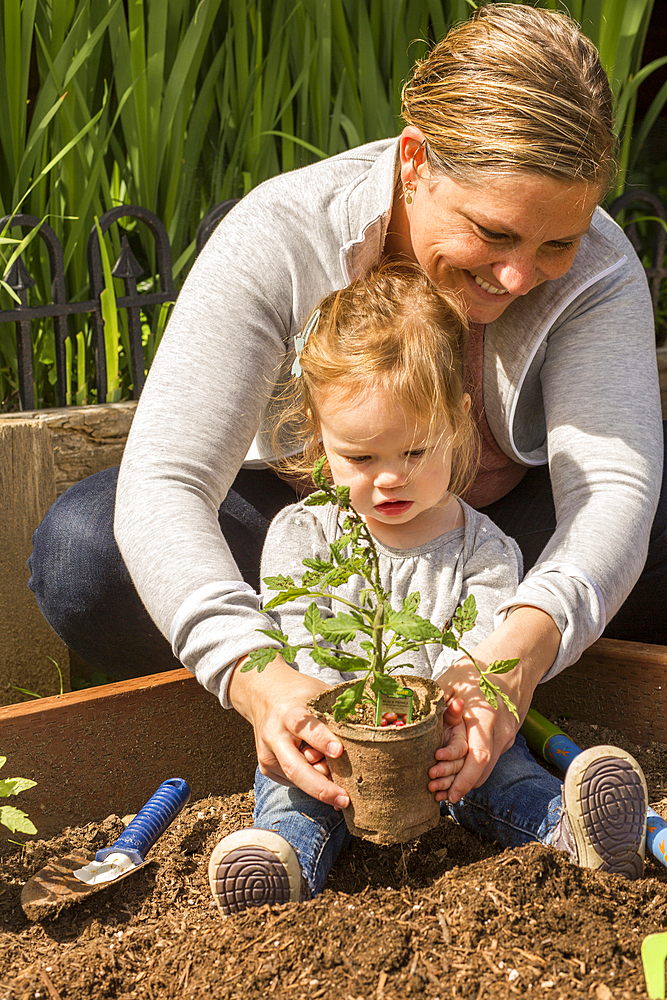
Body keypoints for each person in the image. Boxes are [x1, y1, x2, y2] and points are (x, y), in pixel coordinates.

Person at [28, 4, 661, 891]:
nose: (518, 276)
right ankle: (304, 723)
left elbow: (614, 487)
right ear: (413, 162)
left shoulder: (597, 268)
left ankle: (514, 729)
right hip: (319, 544)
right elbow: (165, 480)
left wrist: (516, 653)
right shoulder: (281, 234)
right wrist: (255, 672)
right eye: (492, 232)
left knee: (647, 525)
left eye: (554, 241)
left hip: (495, 546)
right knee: (86, 551)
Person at [207, 267, 649, 914]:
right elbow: (297, 630)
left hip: (441, 739)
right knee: (289, 789)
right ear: (319, 435)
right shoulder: (303, 535)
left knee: (502, 769)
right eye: (360, 458)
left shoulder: (486, 548)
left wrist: (450, 724)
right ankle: (282, 867)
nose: (388, 479)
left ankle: (568, 829)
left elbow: (482, 649)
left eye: (414, 452)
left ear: (460, 422)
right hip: (338, 742)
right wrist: (336, 718)